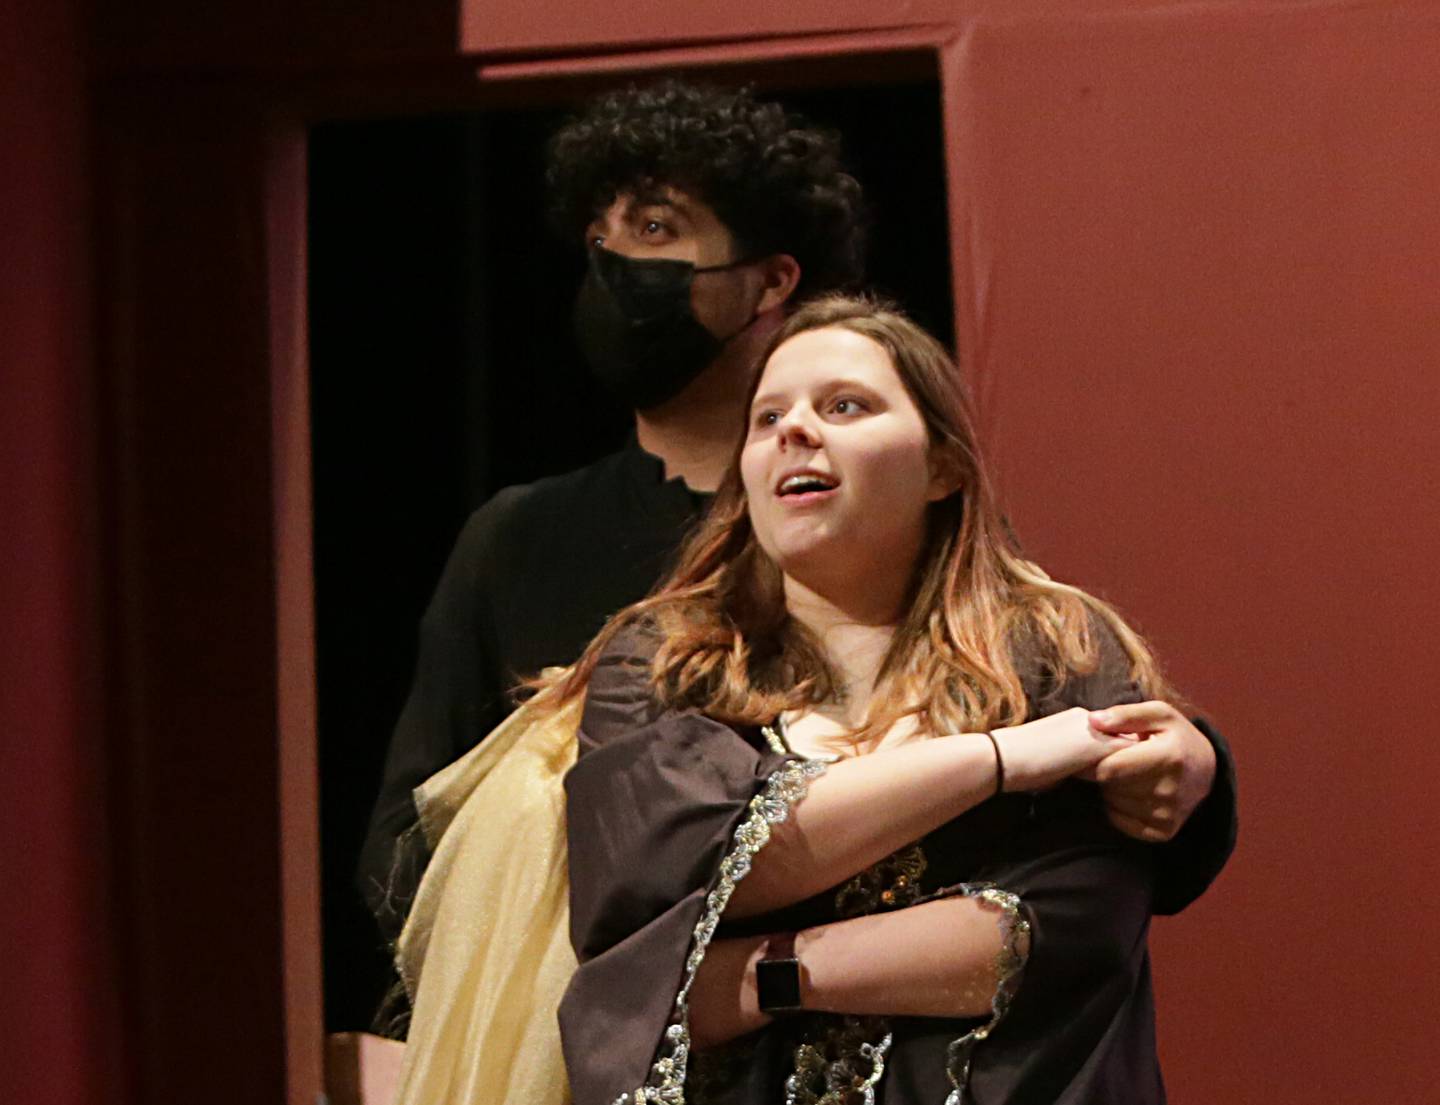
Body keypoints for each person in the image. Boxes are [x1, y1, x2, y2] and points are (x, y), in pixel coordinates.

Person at [358, 80, 1235, 960]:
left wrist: (1191, 763)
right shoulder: (522, 536)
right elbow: (410, 840)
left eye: (657, 232)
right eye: (600, 242)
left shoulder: (888, 536)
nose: (614, 270)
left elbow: (1077, 782)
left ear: (773, 277)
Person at [555, 295, 1192, 1103]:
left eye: (845, 405)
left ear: (942, 466)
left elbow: (1067, 927)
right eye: (767, 416)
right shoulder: (665, 664)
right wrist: (1001, 758)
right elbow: (675, 874)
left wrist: (758, 978)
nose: (794, 430)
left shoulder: (1055, 649)